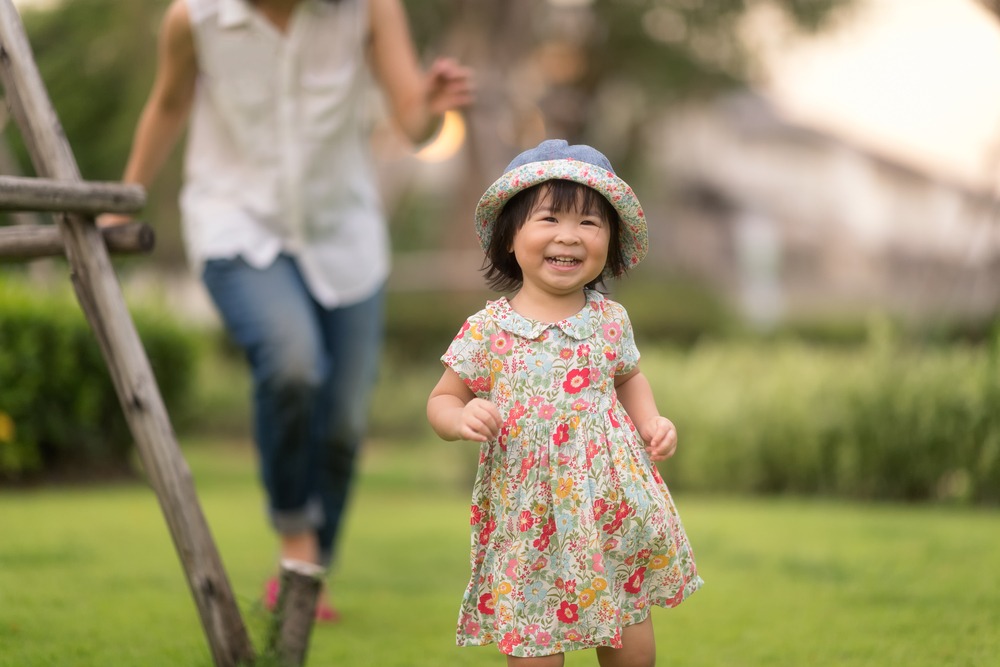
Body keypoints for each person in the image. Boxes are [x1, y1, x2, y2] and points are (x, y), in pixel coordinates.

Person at [101, 0, 473, 621]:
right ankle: (296, 537)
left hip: (344, 235)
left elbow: (412, 118)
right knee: (292, 360)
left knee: (347, 416)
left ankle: (306, 575)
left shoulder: (368, 10)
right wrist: (125, 200)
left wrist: (432, 113)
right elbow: (168, 103)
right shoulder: (194, 20)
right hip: (234, 225)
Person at [426, 140, 703, 665]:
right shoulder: (489, 331)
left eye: (590, 224)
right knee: (533, 641)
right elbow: (441, 398)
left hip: (608, 505)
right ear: (509, 238)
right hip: (526, 515)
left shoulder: (609, 320)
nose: (569, 236)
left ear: (611, 243)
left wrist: (652, 420)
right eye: (550, 218)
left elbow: (628, 376)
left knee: (630, 639)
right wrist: (459, 416)